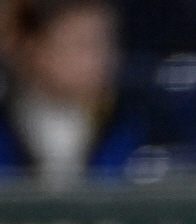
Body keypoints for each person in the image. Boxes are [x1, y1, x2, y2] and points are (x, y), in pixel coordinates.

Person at [0, 0, 144, 181]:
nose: (101, 60)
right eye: (81, 44)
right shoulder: (6, 129)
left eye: (107, 43)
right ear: (31, 46)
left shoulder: (135, 123)